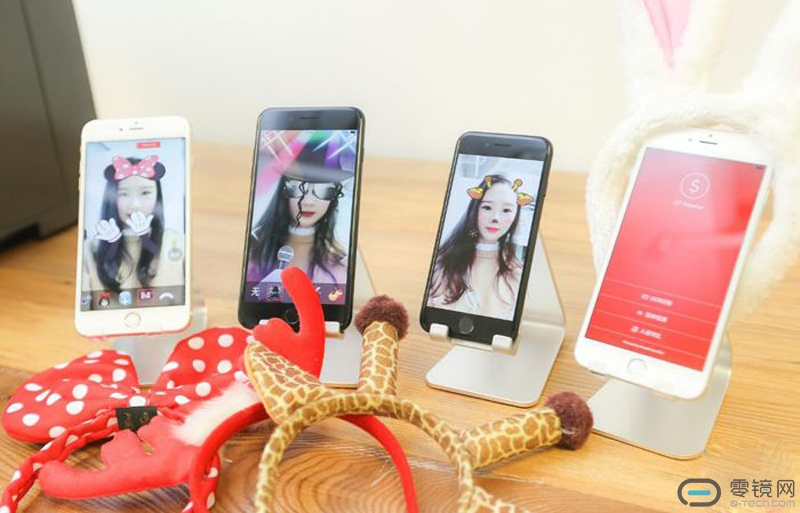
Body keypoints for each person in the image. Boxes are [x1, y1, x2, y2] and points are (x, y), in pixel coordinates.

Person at [247, 136, 352, 287]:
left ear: (333, 196)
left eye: (323, 190)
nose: (308, 201)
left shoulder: (339, 271)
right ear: (285, 190)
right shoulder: (254, 257)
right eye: (299, 188)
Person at [428, 174, 532, 320]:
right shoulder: (442, 263)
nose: (495, 218)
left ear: (516, 216)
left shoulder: (516, 274)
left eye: (506, 210)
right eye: (487, 207)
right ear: (475, 209)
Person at [82, 155, 184, 299]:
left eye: (145, 193)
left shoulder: (175, 240)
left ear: (157, 196)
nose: (135, 204)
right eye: (123, 194)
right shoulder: (90, 247)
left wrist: (144, 236)